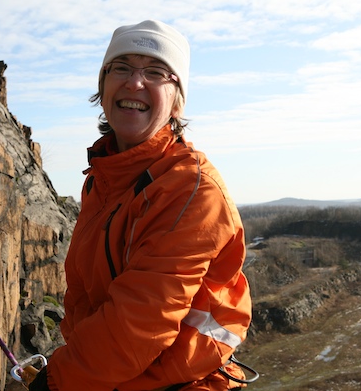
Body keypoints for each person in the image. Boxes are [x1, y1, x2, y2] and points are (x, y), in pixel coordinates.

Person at [29, 20, 252, 391]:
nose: (135, 83)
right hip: (114, 378)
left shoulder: (191, 191)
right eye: (121, 68)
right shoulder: (104, 179)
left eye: (156, 72)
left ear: (177, 101)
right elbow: (87, 298)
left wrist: (56, 380)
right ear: (103, 87)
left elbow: (141, 322)